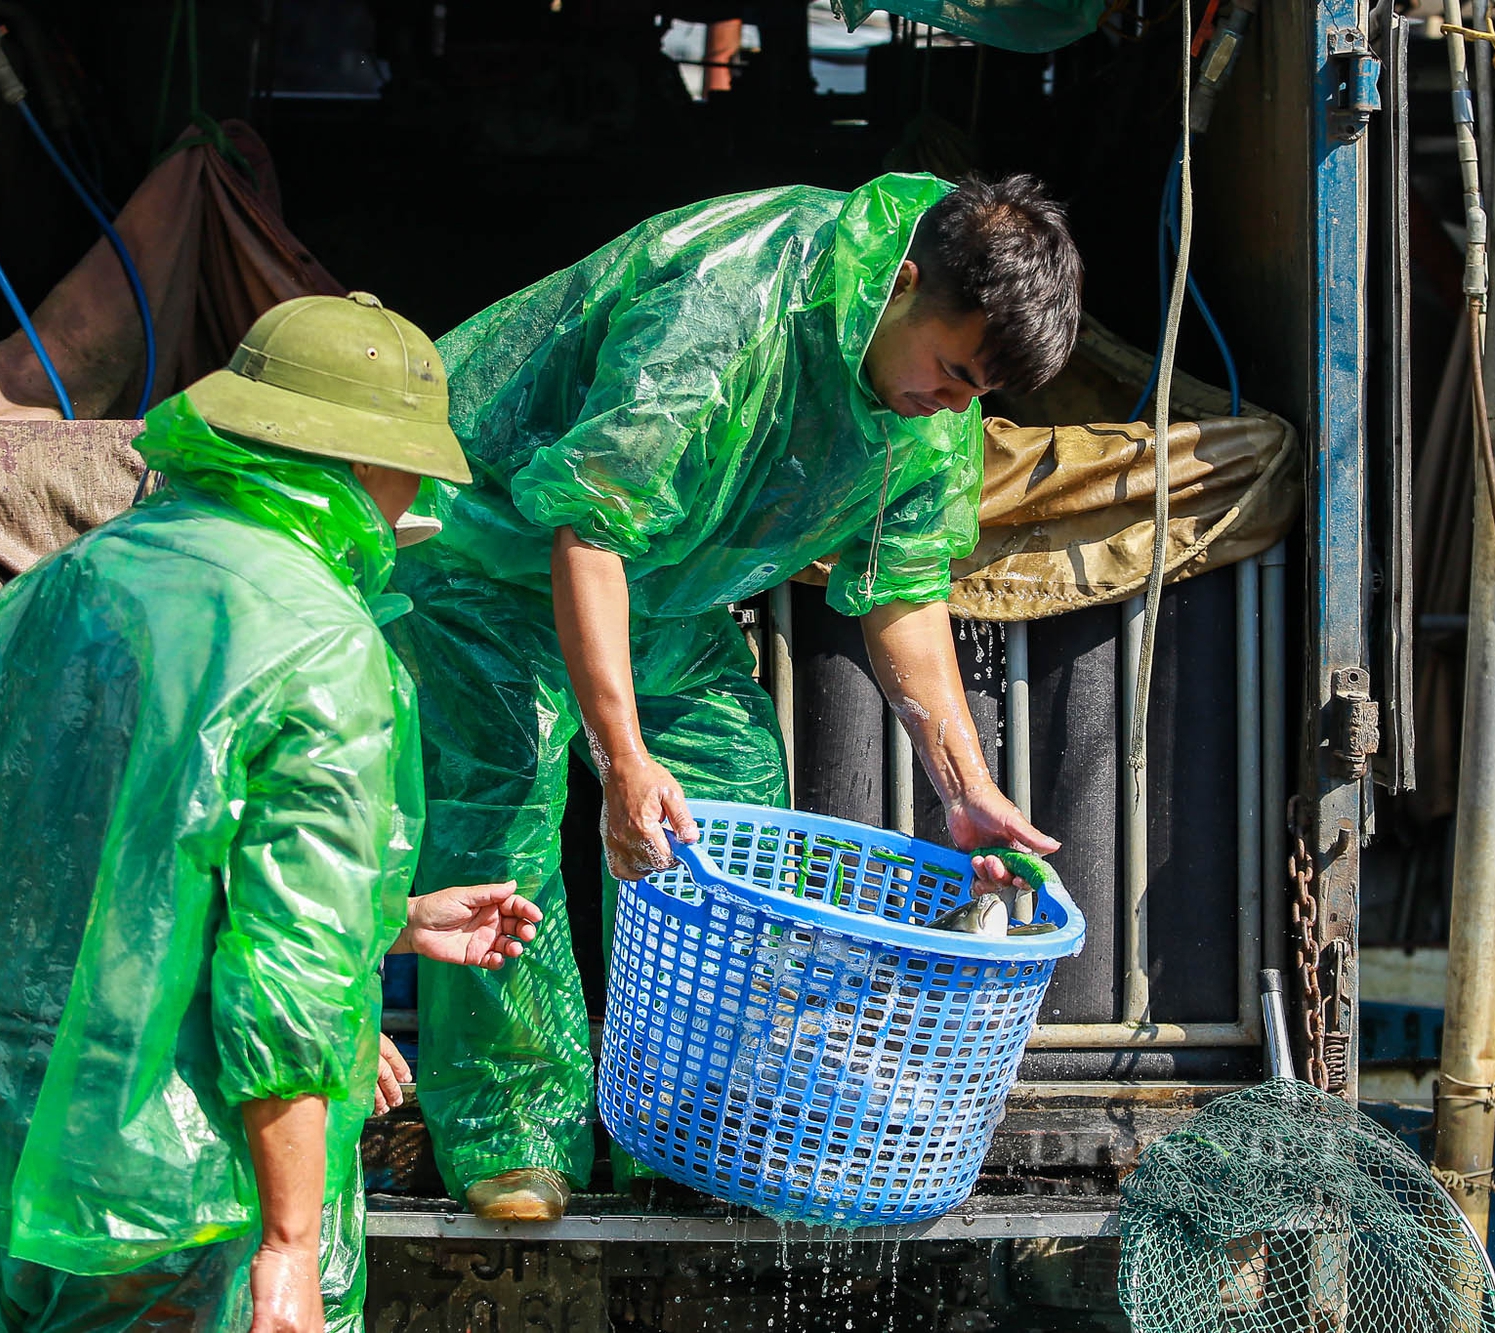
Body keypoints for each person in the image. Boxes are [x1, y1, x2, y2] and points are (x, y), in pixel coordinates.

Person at [388, 172, 1086, 1221]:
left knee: (730, 789)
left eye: (975, 396)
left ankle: (674, 1126)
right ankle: (511, 1133)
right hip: (491, 547)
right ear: (902, 286)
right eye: (947, 374)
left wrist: (965, 783)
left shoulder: (935, 403)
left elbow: (901, 588)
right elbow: (590, 528)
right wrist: (621, 757)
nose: (952, 409)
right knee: (501, 790)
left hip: (662, 587)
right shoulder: (728, 298)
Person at [0, 292, 543, 1333]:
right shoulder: (318, 639)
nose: (420, 497)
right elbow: (287, 973)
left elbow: (96, 861)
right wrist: (284, 1240)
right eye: (413, 464)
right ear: (361, 464)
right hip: (168, 1186)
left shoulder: (72, 579)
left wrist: (387, 916)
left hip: (2, 1133)